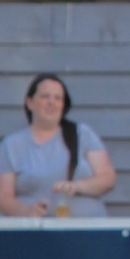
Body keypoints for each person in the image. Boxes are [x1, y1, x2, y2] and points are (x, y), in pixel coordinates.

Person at [0, 73, 117, 218]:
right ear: (30, 103)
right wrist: (27, 212)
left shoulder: (82, 134)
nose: (51, 102)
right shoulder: (11, 145)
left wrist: (77, 186)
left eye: (58, 98)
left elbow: (107, 179)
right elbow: (4, 197)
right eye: (45, 96)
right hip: (36, 234)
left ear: (63, 105)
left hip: (88, 232)